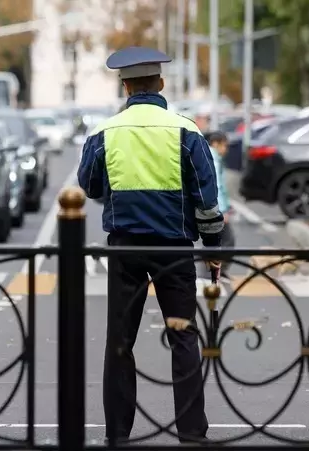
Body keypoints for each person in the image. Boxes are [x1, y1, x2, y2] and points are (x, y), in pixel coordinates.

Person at [77, 46, 223, 444]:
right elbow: (206, 199)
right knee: (184, 336)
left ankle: (118, 435)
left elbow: (88, 186)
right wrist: (213, 247)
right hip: (174, 247)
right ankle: (192, 432)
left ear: (125, 86)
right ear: (160, 83)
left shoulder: (104, 132)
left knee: (120, 341)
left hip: (124, 247)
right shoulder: (187, 131)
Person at [206, 131, 235, 279]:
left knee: (214, 240)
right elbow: (216, 186)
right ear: (216, 144)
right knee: (228, 241)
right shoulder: (214, 160)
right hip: (217, 209)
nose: (226, 149)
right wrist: (223, 210)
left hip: (210, 207)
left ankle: (211, 271)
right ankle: (217, 271)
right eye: (225, 145)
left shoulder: (207, 156)